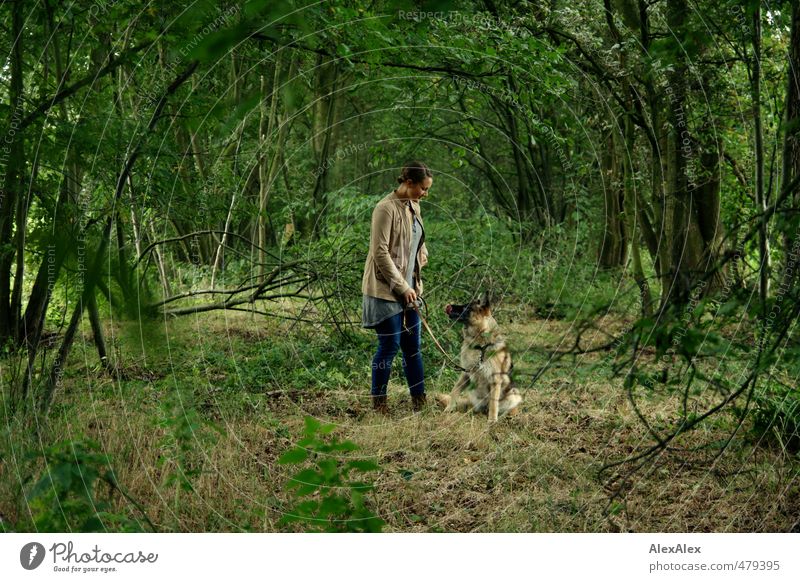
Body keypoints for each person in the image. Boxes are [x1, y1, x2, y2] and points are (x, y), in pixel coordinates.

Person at [361, 161, 433, 415]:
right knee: (389, 347)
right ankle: (379, 405)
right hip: (384, 288)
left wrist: (422, 254)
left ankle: (419, 402)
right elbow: (379, 252)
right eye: (423, 189)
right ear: (409, 183)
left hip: (411, 288)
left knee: (413, 347)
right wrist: (401, 286)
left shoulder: (415, 206)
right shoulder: (384, 208)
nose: (425, 194)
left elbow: (418, 240)